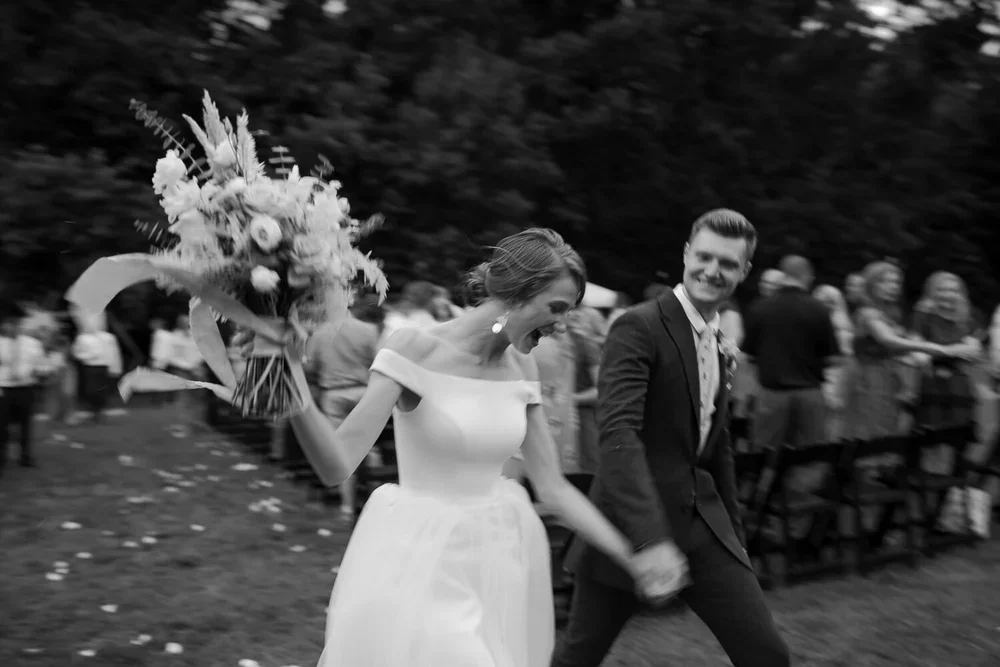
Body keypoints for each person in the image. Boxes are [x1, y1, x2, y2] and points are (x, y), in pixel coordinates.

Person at [241, 229, 681, 667]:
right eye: (557, 307)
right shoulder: (415, 350)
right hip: (423, 560)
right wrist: (290, 374)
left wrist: (633, 556)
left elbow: (554, 488)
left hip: (498, 561)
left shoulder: (521, 365)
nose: (562, 324)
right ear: (513, 293)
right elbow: (336, 465)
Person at [553, 209, 791, 667]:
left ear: (744, 271)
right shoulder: (639, 326)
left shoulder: (719, 340)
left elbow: (714, 445)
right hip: (628, 527)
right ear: (686, 254)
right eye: (704, 256)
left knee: (766, 655)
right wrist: (651, 540)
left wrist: (736, 540)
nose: (712, 270)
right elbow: (618, 433)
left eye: (727, 263)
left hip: (704, 527)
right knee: (579, 656)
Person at [743, 255, 840, 450]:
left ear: (783, 275)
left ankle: (763, 481)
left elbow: (749, 356)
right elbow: (832, 358)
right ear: (807, 276)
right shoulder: (819, 310)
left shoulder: (760, 308)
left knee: (763, 453)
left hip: (771, 395)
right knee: (808, 457)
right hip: (809, 395)